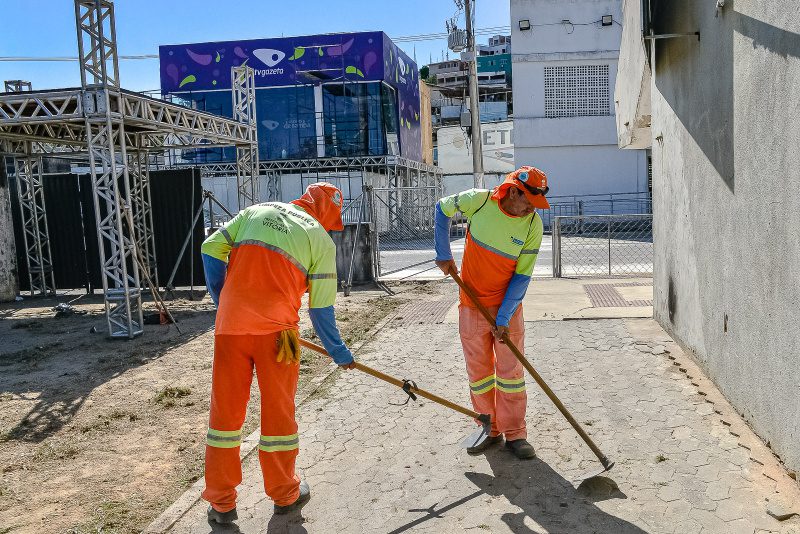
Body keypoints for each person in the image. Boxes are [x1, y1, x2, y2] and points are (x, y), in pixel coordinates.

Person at [200, 183, 355, 523]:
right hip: (279, 337)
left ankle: (222, 503)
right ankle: (285, 494)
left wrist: (221, 297)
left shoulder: (258, 210)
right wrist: (339, 352)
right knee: (278, 416)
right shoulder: (320, 238)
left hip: (231, 329)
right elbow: (321, 310)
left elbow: (210, 247)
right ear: (329, 213)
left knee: (224, 417)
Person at [433, 167, 549, 459]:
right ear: (513, 192)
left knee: (510, 374)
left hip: (508, 308)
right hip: (471, 306)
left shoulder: (533, 225)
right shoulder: (480, 201)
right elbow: (442, 209)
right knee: (480, 374)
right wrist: (443, 253)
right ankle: (489, 427)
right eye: (528, 203)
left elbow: (522, 277)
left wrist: (503, 318)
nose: (531, 211)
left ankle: (515, 434)